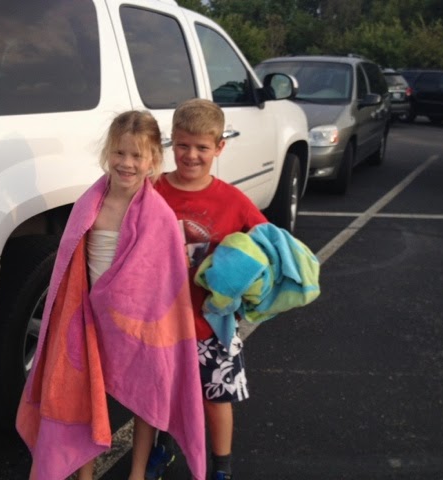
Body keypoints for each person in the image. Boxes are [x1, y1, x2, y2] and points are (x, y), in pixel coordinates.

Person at [16, 111, 206, 480]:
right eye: (119, 153)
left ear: (153, 159)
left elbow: (162, 281)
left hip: (139, 326)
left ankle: (137, 472)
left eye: (137, 155)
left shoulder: (159, 216)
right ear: (108, 152)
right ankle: (85, 474)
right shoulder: (90, 203)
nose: (127, 163)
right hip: (88, 319)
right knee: (84, 393)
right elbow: (70, 267)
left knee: (147, 395)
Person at [148, 98, 268, 480]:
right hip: (160, 319)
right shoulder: (151, 190)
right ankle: (163, 448)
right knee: (162, 394)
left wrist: (248, 285)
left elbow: (266, 245)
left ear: (219, 147)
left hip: (213, 324)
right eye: (183, 145)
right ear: (172, 140)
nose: (191, 155)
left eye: (202, 147)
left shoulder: (233, 201)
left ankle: (222, 467)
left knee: (217, 399)